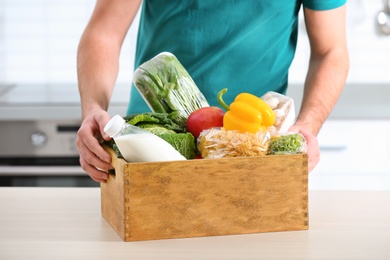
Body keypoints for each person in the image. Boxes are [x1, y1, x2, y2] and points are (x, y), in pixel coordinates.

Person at [76, 0, 349, 183]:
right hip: (152, 145)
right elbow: (104, 32)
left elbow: (331, 51)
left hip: (255, 150)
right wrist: (93, 108)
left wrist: (307, 125)